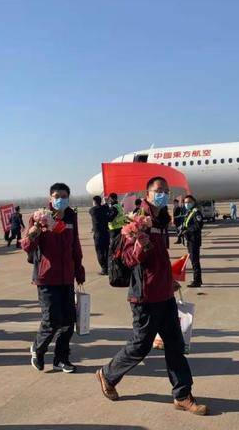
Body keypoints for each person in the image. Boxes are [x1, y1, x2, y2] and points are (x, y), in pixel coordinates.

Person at [96, 176, 208, 416]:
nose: (163, 194)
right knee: (140, 346)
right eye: (158, 190)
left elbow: (160, 258)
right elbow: (128, 259)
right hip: (145, 296)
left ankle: (182, 395)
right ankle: (107, 374)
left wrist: (169, 279)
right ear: (147, 194)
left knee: (175, 346)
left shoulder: (160, 220)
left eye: (166, 191)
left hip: (164, 293)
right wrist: (140, 245)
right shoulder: (137, 220)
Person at [23, 183, 85, 373]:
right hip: (47, 277)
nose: (60, 199)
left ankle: (61, 358)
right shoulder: (39, 217)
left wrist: (79, 269)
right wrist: (33, 233)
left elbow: (75, 245)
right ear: (50, 198)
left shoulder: (71, 217)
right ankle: (38, 349)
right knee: (51, 320)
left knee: (68, 321)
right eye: (57, 196)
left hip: (67, 277)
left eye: (64, 196)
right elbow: (27, 246)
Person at [180, 195, 204, 288]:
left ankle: (197, 281)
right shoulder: (190, 212)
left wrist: (187, 230)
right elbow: (187, 224)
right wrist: (183, 229)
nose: (187, 204)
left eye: (189, 202)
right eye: (185, 202)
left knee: (195, 261)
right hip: (190, 239)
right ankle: (198, 279)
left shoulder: (196, 212)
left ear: (193, 202)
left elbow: (199, 225)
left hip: (194, 240)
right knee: (193, 259)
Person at [89, 196, 110, 276]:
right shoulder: (105, 208)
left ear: (94, 202)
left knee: (100, 252)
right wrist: (105, 202)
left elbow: (94, 209)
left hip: (98, 234)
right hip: (106, 233)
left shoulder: (92, 210)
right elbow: (106, 207)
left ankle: (104, 269)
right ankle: (108, 267)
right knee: (106, 251)